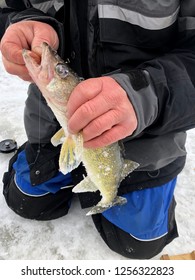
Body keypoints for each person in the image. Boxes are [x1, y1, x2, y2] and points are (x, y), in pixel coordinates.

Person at [0, 0, 195, 260]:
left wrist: (146, 95)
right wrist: (22, 25)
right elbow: (9, 8)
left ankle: (110, 186)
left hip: (149, 134)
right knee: (25, 200)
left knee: (140, 242)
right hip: (51, 124)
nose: (53, 66)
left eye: (58, 69)